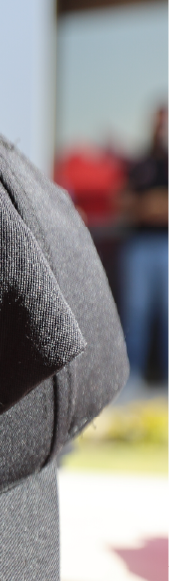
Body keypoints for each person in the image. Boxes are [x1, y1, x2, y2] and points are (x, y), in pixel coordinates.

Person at [118, 105, 170, 385]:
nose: (162, 130)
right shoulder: (140, 164)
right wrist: (151, 206)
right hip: (139, 246)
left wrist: (149, 205)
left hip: (166, 246)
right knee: (135, 314)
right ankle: (132, 378)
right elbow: (124, 203)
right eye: (159, 124)